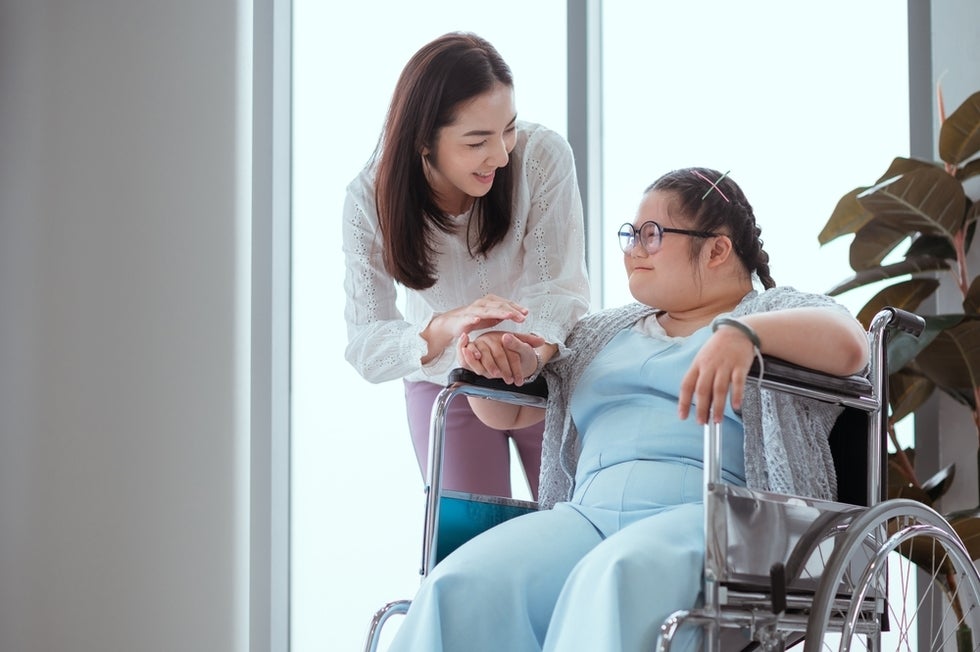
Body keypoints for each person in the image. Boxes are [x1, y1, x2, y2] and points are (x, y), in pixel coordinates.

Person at [386, 168, 870, 651]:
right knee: (461, 584)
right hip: (585, 517)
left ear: (718, 249)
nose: (633, 248)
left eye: (651, 235)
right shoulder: (601, 332)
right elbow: (508, 416)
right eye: (629, 235)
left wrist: (745, 336)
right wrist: (493, 371)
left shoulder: (767, 312)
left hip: (709, 519)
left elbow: (853, 345)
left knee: (613, 575)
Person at [343, 32, 590, 499]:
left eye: (508, 128)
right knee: (466, 547)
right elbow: (365, 343)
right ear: (424, 142)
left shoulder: (541, 157)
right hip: (443, 381)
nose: (500, 154)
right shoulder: (368, 200)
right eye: (478, 141)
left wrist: (519, 350)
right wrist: (445, 328)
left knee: (573, 527)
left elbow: (561, 290)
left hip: (541, 367)